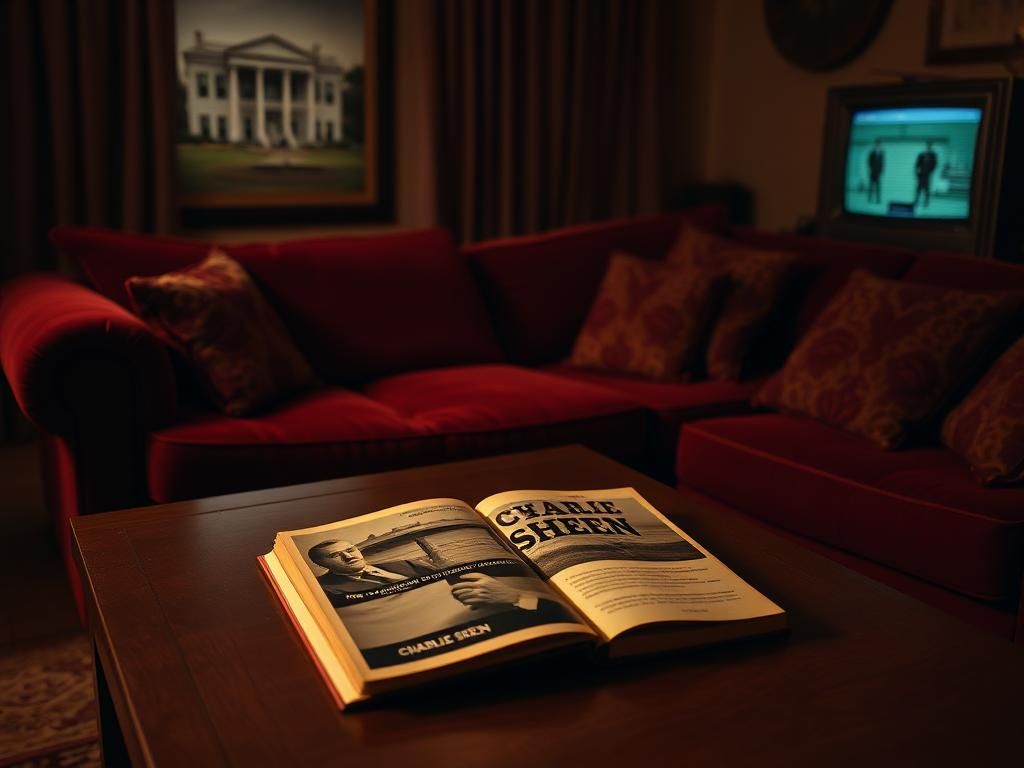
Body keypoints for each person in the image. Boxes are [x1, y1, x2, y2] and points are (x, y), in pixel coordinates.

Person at [308, 539, 569, 619]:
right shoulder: (327, 589)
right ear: (321, 564)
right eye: (335, 556)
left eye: (350, 550)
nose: (348, 557)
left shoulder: (403, 563)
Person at [914, 141, 938, 208]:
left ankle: (926, 203)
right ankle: (916, 202)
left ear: (931, 147)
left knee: (927, 189)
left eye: (929, 146)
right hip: (921, 174)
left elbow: (935, 164)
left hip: (927, 175)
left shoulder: (933, 155)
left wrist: (930, 171)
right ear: (926, 146)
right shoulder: (921, 154)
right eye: (927, 146)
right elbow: (917, 164)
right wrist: (917, 173)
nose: (928, 147)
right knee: (918, 189)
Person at [867, 139, 884, 203]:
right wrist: (871, 168)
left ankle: (878, 199)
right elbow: (869, 161)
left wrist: (881, 171)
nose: (878, 145)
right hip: (872, 172)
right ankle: (869, 198)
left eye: (879, 144)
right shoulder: (872, 153)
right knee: (871, 185)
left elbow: (882, 163)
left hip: (878, 173)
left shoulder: (881, 153)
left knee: (878, 186)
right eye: (877, 144)